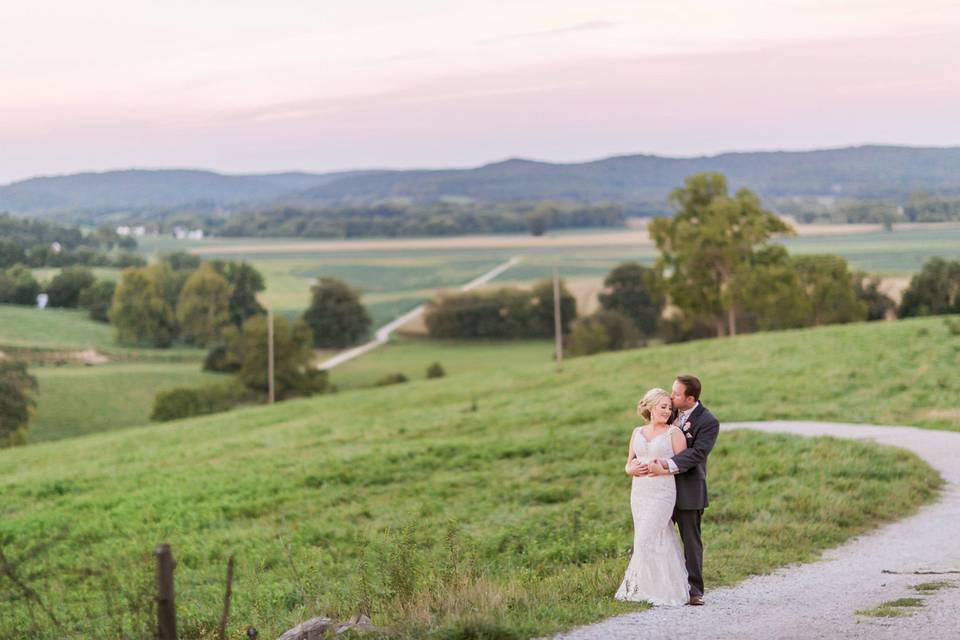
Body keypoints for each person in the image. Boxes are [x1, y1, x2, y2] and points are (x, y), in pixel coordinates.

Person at [639, 374, 720, 606]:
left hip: (687, 489)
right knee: (653, 535)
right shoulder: (668, 411)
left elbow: (696, 454)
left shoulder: (708, 421)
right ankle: (654, 585)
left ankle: (694, 590)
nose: (670, 396)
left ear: (690, 398)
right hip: (659, 490)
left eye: (675, 394)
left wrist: (665, 466)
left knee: (690, 540)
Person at [615, 387, 690, 606]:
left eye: (669, 407)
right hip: (639, 492)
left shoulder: (674, 433)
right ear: (650, 407)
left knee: (644, 538)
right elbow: (628, 463)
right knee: (658, 537)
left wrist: (662, 470)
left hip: (662, 492)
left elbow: (682, 465)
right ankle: (657, 587)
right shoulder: (637, 432)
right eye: (663, 407)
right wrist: (632, 470)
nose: (667, 411)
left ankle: (642, 588)